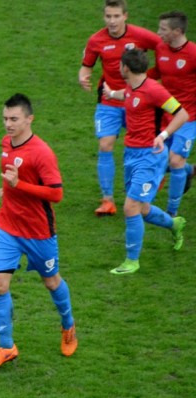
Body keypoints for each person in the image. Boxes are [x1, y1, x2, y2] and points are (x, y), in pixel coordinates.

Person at [0, 94, 78, 371]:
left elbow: (56, 194)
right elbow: (11, 177)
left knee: (51, 282)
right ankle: (7, 347)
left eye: (14, 119)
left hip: (38, 232)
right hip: (7, 226)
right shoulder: (6, 143)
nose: (8, 124)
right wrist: (7, 190)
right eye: (5, 118)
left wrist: (18, 186)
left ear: (29, 119)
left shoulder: (42, 153)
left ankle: (68, 325)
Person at [103, 48, 189, 274]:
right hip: (131, 154)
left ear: (125, 68)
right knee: (141, 208)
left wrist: (163, 135)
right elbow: (126, 94)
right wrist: (111, 94)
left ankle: (132, 261)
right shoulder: (132, 86)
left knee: (130, 207)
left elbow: (182, 114)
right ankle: (174, 224)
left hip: (150, 156)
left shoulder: (154, 90)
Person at [78, 0, 161, 216]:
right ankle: (107, 200)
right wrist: (83, 77)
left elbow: (163, 49)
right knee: (105, 145)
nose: (112, 21)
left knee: (148, 146)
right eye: (108, 16)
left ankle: (168, 171)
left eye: (116, 16)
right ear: (104, 17)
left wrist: (151, 76)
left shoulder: (140, 35)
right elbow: (86, 66)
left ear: (125, 16)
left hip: (138, 101)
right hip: (109, 99)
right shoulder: (96, 40)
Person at [150, 11, 196, 216]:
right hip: (166, 114)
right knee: (157, 158)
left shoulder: (193, 53)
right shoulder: (161, 48)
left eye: (163, 29)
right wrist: (135, 79)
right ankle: (189, 171)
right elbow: (157, 73)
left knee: (175, 160)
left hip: (189, 117)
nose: (158, 33)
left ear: (177, 31)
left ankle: (172, 213)